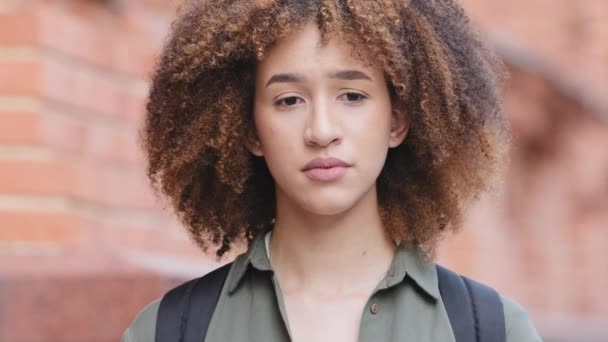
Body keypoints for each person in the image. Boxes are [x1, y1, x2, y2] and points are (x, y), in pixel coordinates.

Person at [122, 0, 542, 341]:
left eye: (352, 96)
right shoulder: (166, 333)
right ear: (249, 131)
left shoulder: (491, 330)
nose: (321, 131)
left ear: (397, 121)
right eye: (289, 100)